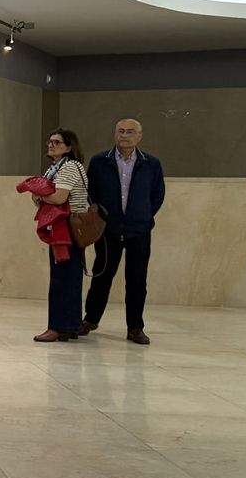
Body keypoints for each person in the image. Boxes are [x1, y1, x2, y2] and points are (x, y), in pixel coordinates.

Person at [82, 118, 165, 345]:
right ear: (114, 134)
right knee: (101, 275)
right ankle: (90, 319)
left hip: (139, 231)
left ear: (139, 136)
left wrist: (144, 215)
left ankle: (135, 327)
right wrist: (101, 218)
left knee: (137, 280)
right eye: (120, 131)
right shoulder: (100, 161)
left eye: (130, 132)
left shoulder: (151, 163)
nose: (125, 135)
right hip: (108, 231)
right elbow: (91, 193)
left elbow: (157, 195)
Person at [30, 128, 89, 343]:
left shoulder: (70, 167)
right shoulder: (56, 167)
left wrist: (41, 196)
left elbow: (58, 197)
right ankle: (69, 325)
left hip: (67, 229)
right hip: (60, 226)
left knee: (62, 278)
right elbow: (42, 196)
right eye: (50, 141)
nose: (51, 145)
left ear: (69, 147)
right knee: (67, 277)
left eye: (57, 142)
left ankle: (58, 326)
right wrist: (42, 196)